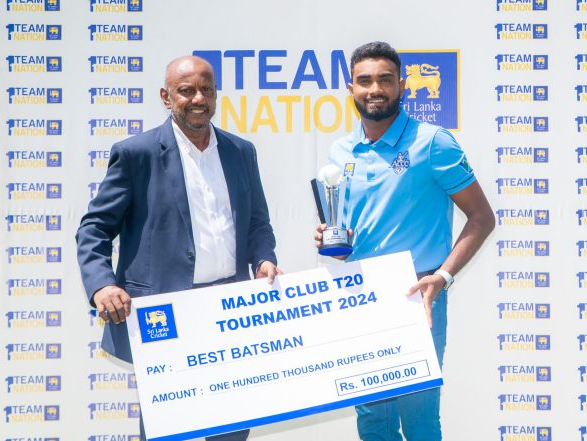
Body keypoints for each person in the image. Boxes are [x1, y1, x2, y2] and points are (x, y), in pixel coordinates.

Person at [76, 55, 279, 441]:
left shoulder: (241, 151)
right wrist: (102, 285)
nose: (198, 98)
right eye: (186, 90)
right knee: (167, 430)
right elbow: (94, 228)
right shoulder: (136, 154)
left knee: (232, 428)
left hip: (231, 312)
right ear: (166, 97)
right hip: (165, 317)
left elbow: (257, 223)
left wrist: (264, 259)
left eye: (206, 90)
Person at [314, 42, 495, 441]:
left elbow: (482, 218)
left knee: (419, 421)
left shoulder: (433, 142)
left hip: (418, 295)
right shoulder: (340, 150)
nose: (375, 89)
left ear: (402, 85)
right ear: (351, 88)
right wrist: (333, 239)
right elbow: (353, 228)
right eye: (365, 81)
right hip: (361, 296)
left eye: (385, 80)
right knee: (373, 422)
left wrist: (443, 277)